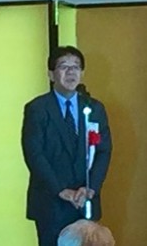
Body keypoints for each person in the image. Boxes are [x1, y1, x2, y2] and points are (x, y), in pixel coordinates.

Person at [22, 45, 112, 246]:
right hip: (51, 201)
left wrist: (91, 188)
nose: (71, 72)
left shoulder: (94, 108)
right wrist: (61, 190)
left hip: (85, 200)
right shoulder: (38, 108)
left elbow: (103, 151)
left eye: (76, 67)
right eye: (64, 67)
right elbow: (34, 154)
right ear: (51, 74)